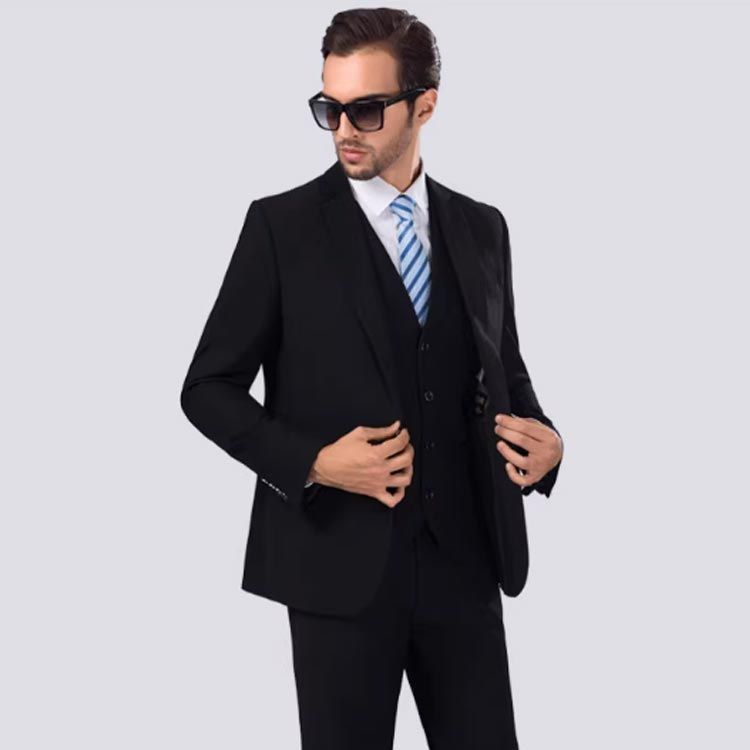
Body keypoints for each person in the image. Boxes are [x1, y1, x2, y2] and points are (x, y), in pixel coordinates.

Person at [180, 8, 563, 749]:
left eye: (366, 109)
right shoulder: (281, 228)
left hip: (466, 565)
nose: (342, 129)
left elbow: (505, 370)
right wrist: (315, 462)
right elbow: (207, 388)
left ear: (426, 105)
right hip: (338, 572)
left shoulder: (483, 227)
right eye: (329, 107)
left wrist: (546, 444)